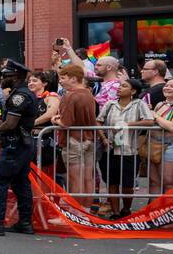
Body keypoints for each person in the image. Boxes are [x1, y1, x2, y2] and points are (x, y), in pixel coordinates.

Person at [0, 61, 41, 235]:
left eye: (6, 76)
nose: (2, 79)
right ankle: (25, 223)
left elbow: (11, 124)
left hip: (15, 145)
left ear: (15, 77)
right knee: (20, 183)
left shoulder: (20, 96)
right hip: (22, 144)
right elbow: (15, 122)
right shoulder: (23, 93)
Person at [96, 77, 153, 218]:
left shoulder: (139, 104)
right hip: (110, 149)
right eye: (120, 86)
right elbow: (98, 121)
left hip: (129, 150)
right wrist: (103, 138)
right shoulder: (110, 104)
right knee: (112, 181)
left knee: (128, 183)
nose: (119, 88)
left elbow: (149, 121)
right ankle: (115, 212)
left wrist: (128, 124)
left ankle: (126, 209)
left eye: (124, 86)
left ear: (133, 91)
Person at [54, 64, 99, 205]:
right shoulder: (88, 94)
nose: (60, 81)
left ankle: (76, 212)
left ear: (74, 79)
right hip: (89, 140)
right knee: (88, 178)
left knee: (75, 178)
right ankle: (86, 211)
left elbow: (66, 123)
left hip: (73, 140)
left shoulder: (69, 96)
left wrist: (54, 119)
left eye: (63, 77)